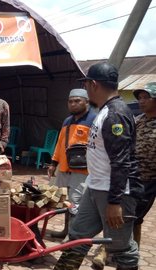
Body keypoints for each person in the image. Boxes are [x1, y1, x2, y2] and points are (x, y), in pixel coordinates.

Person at [54, 62, 141, 270]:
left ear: (93, 84)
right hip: (95, 187)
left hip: (114, 192)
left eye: (85, 85)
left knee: (121, 248)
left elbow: (121, 162)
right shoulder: (104, 111)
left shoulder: (115, 114)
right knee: (78, 236)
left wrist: (115, 202)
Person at [47, 89, 96, 238]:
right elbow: (60, 143)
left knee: (76, 202)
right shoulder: (67, 121)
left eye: (77, 101)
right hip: (63, 167)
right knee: (64, 201)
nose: (73, 104)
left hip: (81, 170)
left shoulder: (94, 120)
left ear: (86, 102)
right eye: (70, 101)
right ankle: (66, 230)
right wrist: (53, 163)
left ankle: (72, 236)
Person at [131, 82, 156, 246]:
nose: (141, 101)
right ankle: (133, 249)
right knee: (132, 214)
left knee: (135, 215)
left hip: (152, 178)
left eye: (146, 97)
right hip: (137, 177)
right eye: (140, 98)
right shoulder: (137, 121)